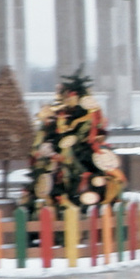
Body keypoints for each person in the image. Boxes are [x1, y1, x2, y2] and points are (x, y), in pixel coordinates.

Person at [30, 70, 121, 215]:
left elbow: (92, 133)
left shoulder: (89, 118)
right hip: (66, 162)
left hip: (80, 161)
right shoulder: (58, 119)